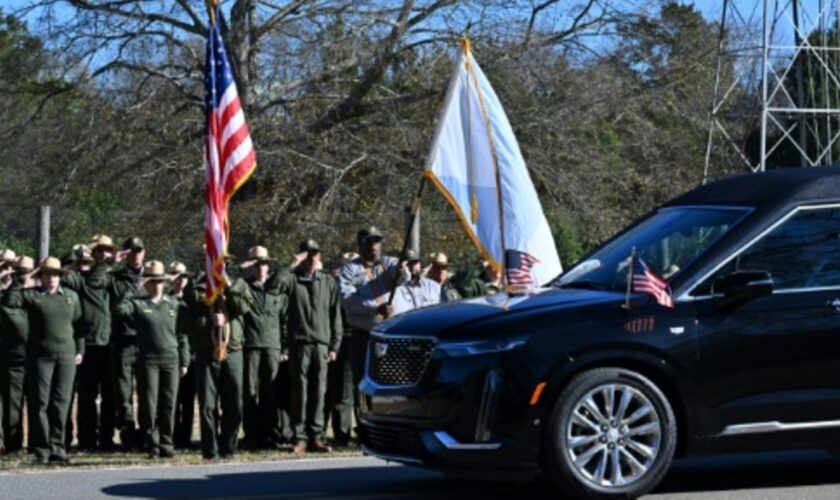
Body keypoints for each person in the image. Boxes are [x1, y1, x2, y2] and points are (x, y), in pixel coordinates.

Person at [2, 257, 83, 465]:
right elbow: (9, 302)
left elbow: (80, 326)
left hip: (66, 356)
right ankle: (42, 448)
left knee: (62, 402)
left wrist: (80, 350)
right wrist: (22, 279)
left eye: (55, 274)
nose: (52, 278)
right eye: (47, 274)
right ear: (41, 277)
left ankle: (59, 447)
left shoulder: (71, 297)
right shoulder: (32, 296)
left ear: (60, 277)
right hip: (40, 357)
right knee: (41, 404)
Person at [271, 240, 342, 454]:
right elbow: (273, 287)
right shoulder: (292, 280)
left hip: (321, 345)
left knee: (319, 392)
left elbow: (335, 316)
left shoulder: (328, 282)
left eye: (315, 253)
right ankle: (299, 437)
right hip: (299, 344)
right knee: (299, 392)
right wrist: (292, 263)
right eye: (307, 254)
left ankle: (316, 436)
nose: (312, 257)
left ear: (320, 256)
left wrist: (335, 346)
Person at [115, 260, 190, 459]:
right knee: (149, 404)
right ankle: (152, 443)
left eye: (159, 281)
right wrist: (135, 288)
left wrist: (185, 360)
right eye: (152, 281)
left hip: (171, 359)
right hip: (148, 360)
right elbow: (120, 310)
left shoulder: (173, 304)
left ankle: (167, 442)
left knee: (168, 404)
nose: (156, 285)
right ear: (147, 283)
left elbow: (182, 334)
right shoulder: (139, 304)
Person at [184, 265, 251, 460]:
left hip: (233, 350)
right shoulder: (196, 286)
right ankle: (210, 449)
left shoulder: (238, 284)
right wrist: (208, 318)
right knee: (207, 403)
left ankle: (229, 447)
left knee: (234, 402)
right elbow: (189, 312)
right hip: (206, 350)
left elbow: (243, 307)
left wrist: (228, 286)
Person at [62, 239, 116, 451]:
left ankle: (107, 438)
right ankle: (86, 439)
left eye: (87, 262)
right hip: (88, 345)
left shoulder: (107, 279)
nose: (84, 266)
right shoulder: (80, 281)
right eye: (81, 262)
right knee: (87, 397)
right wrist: (77, 257)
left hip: (108, 345)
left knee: (110, 397)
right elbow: (64, 276)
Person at [339, 227, 400, 390]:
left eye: (377, 240)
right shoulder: (350, 269)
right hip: (364, 337)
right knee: (364, 383)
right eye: (369, 240)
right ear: (360, 244)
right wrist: (376, 308)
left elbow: (403, 277)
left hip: (391, 336)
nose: (373, 245)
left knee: (392, 381)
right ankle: (363, 414)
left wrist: (402, 271)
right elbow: (347, 299)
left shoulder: (389, 263)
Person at [239, 246, 287, 450]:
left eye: (264, 264)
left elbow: (284, 318)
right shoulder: (243, 286)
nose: (261, 268)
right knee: (249, 392)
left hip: (272, 346)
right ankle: (251, 434)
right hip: (250, 345)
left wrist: (284, 347)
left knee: (270, 392)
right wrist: (242, 271)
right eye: (257, 264)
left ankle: (269, 434)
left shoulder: (277, 288)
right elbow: (231, 291)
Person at [109, 236, 146, 450]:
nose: (136, 255)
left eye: (139, 251)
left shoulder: (152, 275)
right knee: (123, 391)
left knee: (146, 390)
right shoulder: (115, 277)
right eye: (131, 251)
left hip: (146, 340)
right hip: (123, 339)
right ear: (125, 254)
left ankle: (147, 431)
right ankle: (128, 432)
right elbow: (95, 282)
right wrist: (111, 262)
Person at [0, 256, 36, 454]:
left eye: (27, 271)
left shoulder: (38, 294)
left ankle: (36, 443)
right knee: (13, 404)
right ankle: (13, 444)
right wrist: (16, 284)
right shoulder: (9, 296)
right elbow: (10, 306)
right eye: (20, 272)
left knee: (38, 404)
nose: (25, 275)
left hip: (38, 358)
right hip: (15, 358)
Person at [323, 251, 358, 447]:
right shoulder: (335, 287)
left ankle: (364, 432)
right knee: (343, 391)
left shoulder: (365, 285)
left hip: (363, 337)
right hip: (343, 338)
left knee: (362, 391)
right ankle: (342, 434)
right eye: (348, 265)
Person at [169, 262, 199, 450]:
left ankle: (186, 438)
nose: (180, 280)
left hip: (194, 356)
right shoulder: (165, 299)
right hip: (173, 356)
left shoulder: (192, 301)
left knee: (188, 401)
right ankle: (172, 436)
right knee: (172, 400)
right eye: (175, 275)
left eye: (183, 276)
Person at [391, 250, 441, 315]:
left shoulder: (433, 286)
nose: (412, 267)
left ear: (420, 264)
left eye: (415, 263)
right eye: (409, 264)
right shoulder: (397, 289)